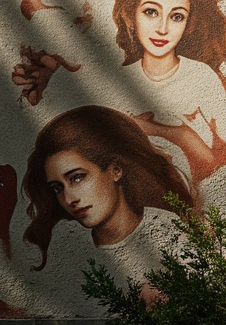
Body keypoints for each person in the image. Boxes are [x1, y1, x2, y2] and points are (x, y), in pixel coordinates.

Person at [112, 0, 226, 185]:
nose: (162, 28)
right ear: (129, 16)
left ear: (189, 24)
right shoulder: (116, 81)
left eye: (177, 16)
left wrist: (166, 130)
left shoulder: (199, 76)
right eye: (151, 12)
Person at [21, 105, 195, 271]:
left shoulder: (168, 229)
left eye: (77, 177)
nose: (69, 199)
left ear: (115, 171)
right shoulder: (72, 254)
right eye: (58, 187)